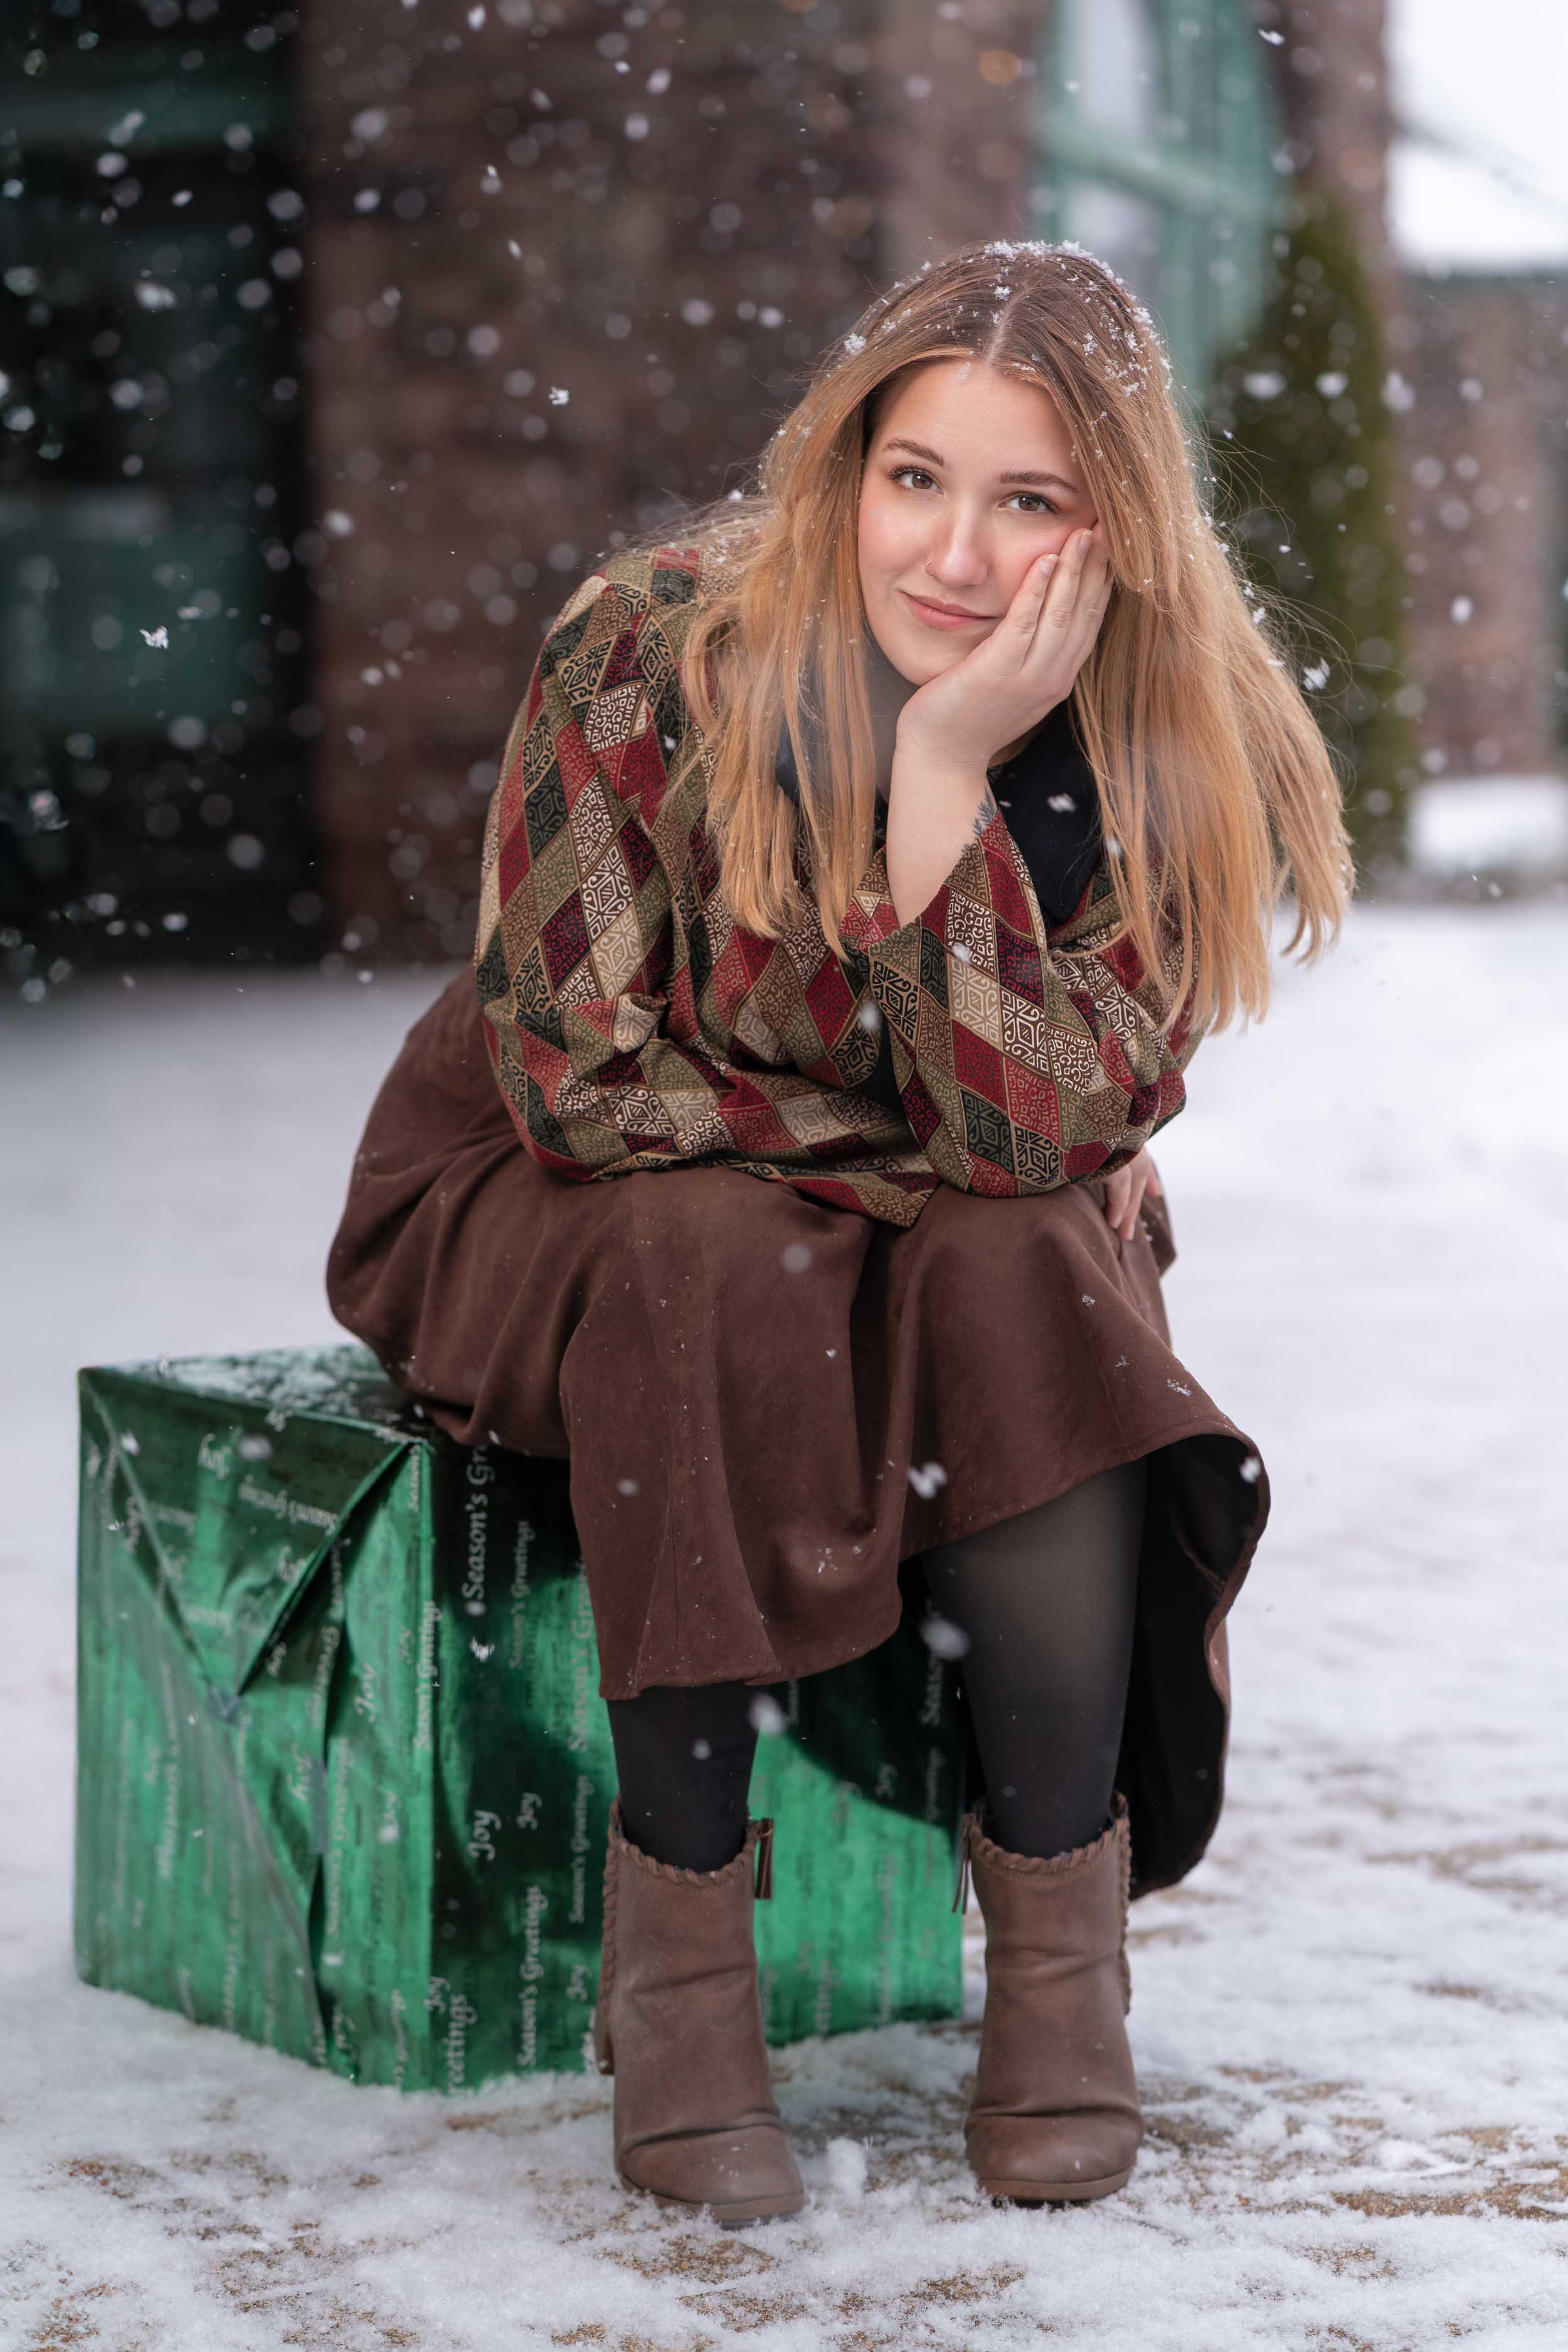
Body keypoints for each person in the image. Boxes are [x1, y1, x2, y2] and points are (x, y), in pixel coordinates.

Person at [326, 240, 1351, 2227]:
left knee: (1017, 1258)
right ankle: (683, 1978)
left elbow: (1054, 1131)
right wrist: (938, 1152)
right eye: (915, 478)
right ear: (846, 470)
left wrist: (943, 777)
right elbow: (584, 1080)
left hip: (884, 1226)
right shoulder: (652, 646)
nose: (954, 553)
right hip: (544, 1211)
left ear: (1114, 528)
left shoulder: (1146, 734)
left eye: (1028, 498)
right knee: (730, 1242)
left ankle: (1059, 1990)